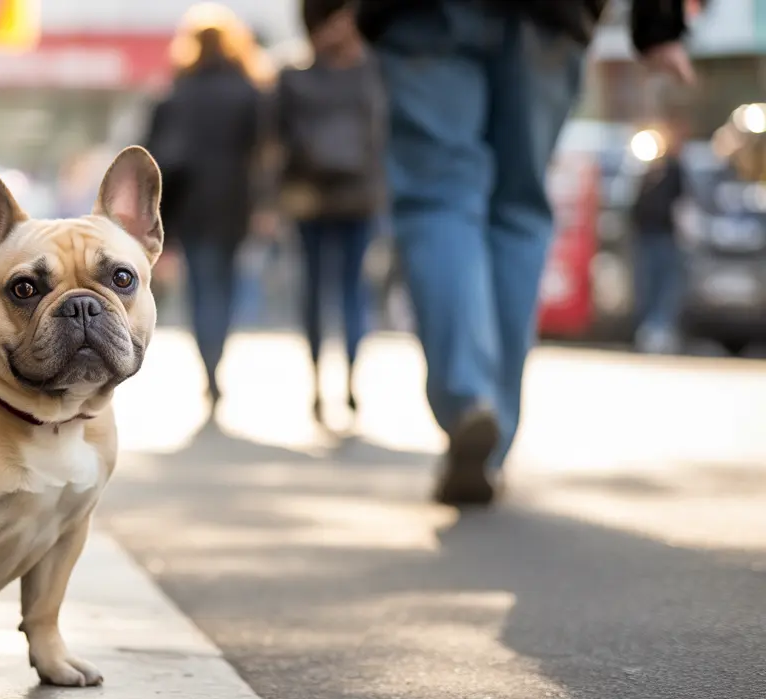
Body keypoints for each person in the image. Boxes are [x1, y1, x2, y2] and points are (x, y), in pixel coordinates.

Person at [345, 0, 697, 504]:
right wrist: (659, 23)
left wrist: (326, 13)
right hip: (552, 15)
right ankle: (493, 440)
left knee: (439, 199)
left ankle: (469, 395)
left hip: (424, 16)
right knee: (518, 211)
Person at [144, 3, 269, 412]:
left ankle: (209, 370)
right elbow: (264, 153)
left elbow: (153, 158)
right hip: (234, 204)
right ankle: (217, 362)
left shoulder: (177, 93)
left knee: (200, 290)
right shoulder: (248, 92)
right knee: (226, 287)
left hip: (190, 207)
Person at [276, 0, 387, 425]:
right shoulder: (371, 74)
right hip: (331, 201)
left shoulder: (296, 76)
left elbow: (276, 144)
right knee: (334, 293)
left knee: (336, 292)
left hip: (336, 200)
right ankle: (325, 382)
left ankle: (344, 381)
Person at [630, 118, 689, 355]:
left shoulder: (674, 169)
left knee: (666, 284)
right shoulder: (643, 169)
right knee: (646, 284)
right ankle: (646, 328)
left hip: (666, 236)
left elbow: (683, 201)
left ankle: (661, 328)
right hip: (645, 236)